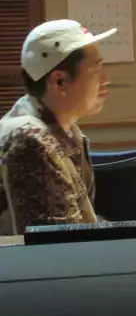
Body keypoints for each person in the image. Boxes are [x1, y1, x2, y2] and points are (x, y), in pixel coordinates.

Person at [0, 20, 115, 235]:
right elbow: (58, 249)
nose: (106, 79)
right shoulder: (31, 142)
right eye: (96, 69)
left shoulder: (64, 130)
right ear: (59, 81)